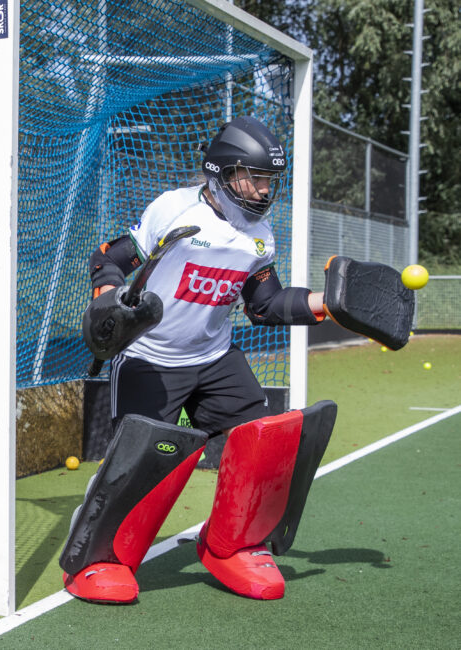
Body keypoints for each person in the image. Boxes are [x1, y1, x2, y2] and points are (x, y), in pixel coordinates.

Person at [59, 116, 335, 604]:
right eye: (254, 178)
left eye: (270, 180)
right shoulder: (176, 209)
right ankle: (96, 560)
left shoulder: (260, 235)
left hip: (214, 357)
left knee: (264, 442)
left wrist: (328, 303)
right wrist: (108, 298)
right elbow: (110, 258)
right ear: (222, 174)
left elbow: (265, 304)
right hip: (150, 357)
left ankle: (230, 547)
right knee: (137, 466)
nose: (263, 189)